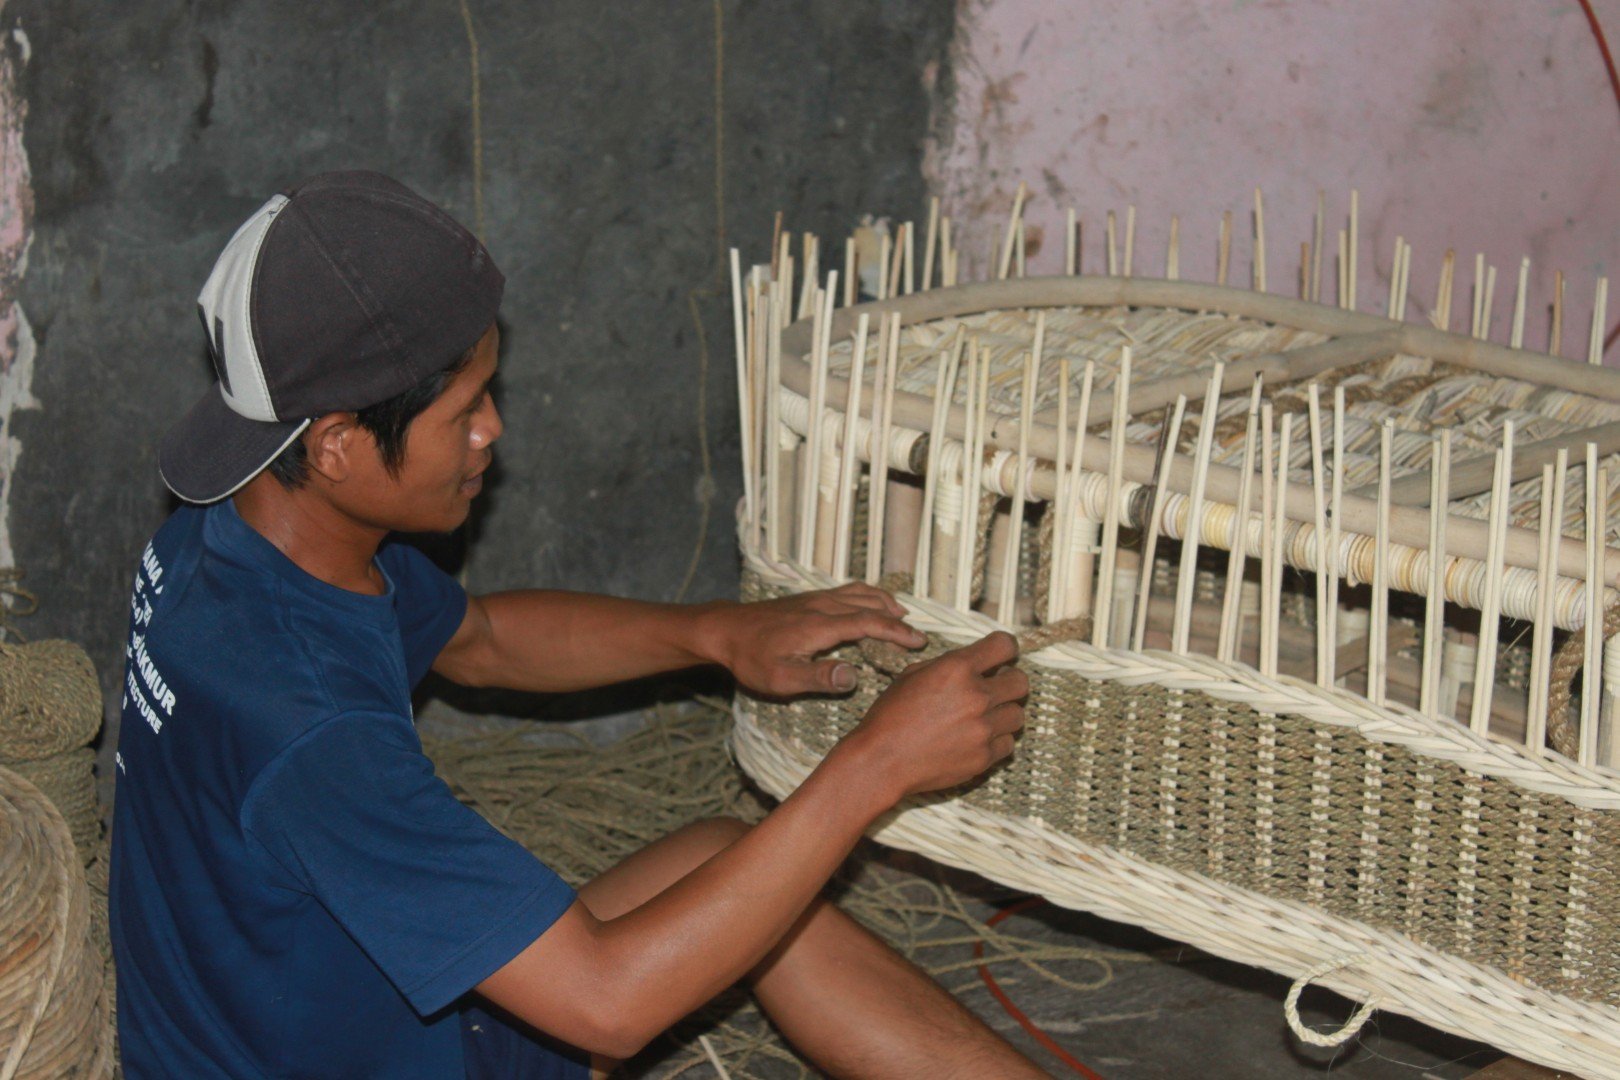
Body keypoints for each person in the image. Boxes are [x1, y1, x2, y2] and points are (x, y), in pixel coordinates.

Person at [110, 170, 1043, 1078]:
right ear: (339, 444)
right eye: (465, 410)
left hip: (326, 1023)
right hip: (367, 1053)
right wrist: (878, 764)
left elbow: (481, 641)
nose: (493, 433)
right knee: (708, 911)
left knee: (729, 864)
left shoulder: (246, 534)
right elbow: (610, 1004)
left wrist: (715, 636)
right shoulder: (313, 732)